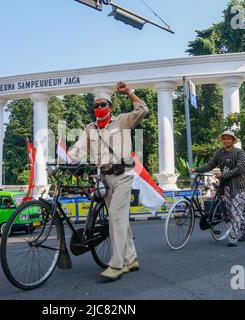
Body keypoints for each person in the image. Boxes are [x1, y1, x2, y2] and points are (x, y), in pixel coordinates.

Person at [69, 81, 149, 281]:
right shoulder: (90, 129)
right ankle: (131, 258)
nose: (99, 108)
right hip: (104, 179)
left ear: (111, 107)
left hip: (123, 175)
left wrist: (129, 92)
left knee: (115, 215)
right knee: (119, 218)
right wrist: (62, 161)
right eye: (95, 106)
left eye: (103, 104)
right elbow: (77, 149)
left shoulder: (123, 121)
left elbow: (143, 109)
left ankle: (116, 265)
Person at [190, 131, 245, 247]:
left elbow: (240, 168)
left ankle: (233, 238)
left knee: (235, 212)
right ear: (222, 140)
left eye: (229, 139)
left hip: (239, 187)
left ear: (233, 141)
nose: (226, 141)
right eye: (224, 139)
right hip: (226, 187)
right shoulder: (219, 153)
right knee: (231, 212)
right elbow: (210, 165)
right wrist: (197, 169)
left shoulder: (239, 153)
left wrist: (223, 175)